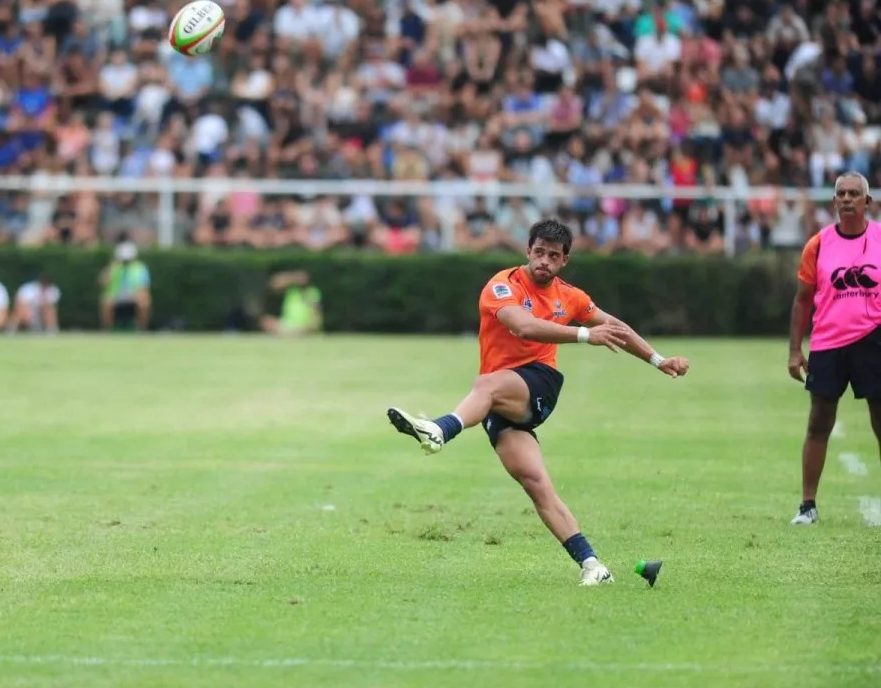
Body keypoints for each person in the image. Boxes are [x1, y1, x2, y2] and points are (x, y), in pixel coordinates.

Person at [386, 220, 690, 586]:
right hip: (500, 401)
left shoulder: (571, 296)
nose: (545, 260)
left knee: (485, 384)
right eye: (539, 252)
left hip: (538, 382)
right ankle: (593, 565)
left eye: (554, 256)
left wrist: (659, 360)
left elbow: (616, 327)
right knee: (535, 482)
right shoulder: (502, 285)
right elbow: (523, 325)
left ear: (564, 261)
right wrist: (583, 334)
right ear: (528, 251)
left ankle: (439, 430)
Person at [787, 172, 880, 524]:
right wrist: (795, 351)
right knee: (819, 422)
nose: (846, 199)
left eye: (854, 193)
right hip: (828, 342)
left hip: (874, 340)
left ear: (867, 202)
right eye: (840, 193)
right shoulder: (819, 244)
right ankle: (807, 506)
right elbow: (802, 300)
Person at [99, 241, 151, 332]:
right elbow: (102, 282)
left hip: (134, 295)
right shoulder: (113, 267)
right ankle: (108, 329)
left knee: (144, 303)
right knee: (107, 302)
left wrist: (138, 296)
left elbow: (144, 288)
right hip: (116, 295)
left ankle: (142, 329)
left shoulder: (140, 268)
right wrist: (111, 268)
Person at [261, 270, 322, 335]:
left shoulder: (311, 292)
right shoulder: (292, 291)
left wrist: (311, 327)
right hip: (287, 324)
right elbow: (275, 283)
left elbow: (315, 314)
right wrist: (292, 278)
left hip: (302, 326)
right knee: (266, 321)